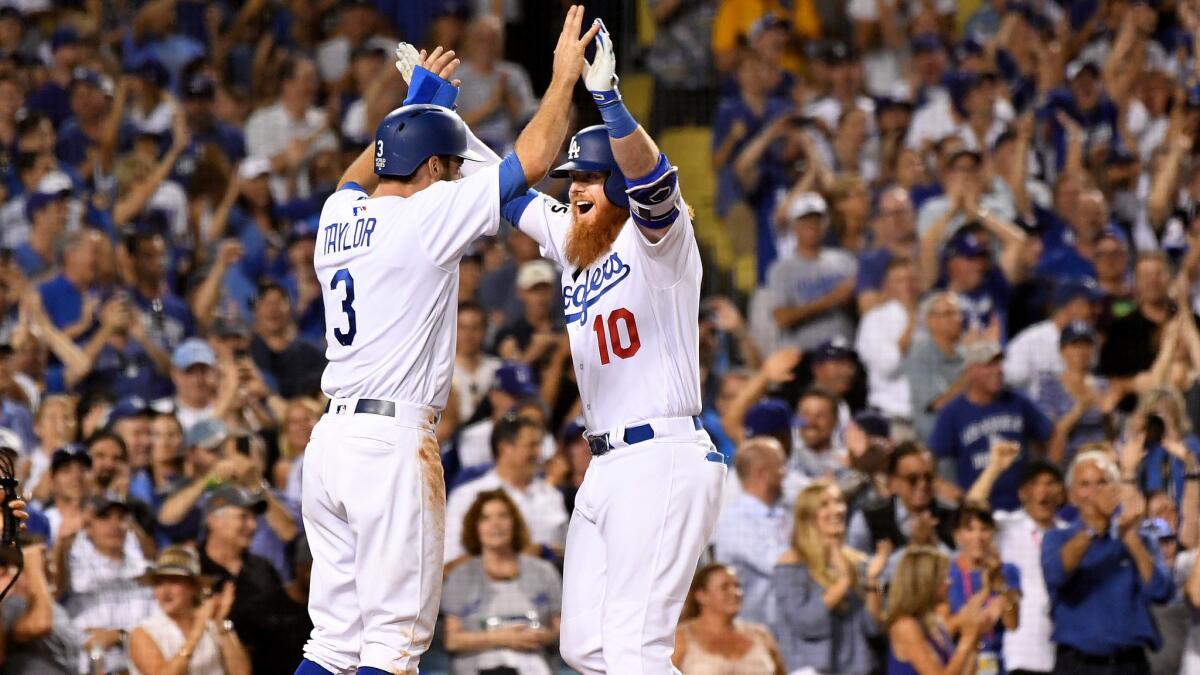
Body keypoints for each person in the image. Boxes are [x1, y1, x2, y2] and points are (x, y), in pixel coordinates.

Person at [296, 14, 599, 674]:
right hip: (389, 448)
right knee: (393, 646)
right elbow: (534, 159)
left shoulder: (338, 216)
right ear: (432, 165)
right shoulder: (426, 214)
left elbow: (359, 174)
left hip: (331, 445)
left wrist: (412, 108)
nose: (455, 176)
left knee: (330, 643)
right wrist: (562, 79)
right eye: (450, 167)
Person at [496, 19, 726, 673]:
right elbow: (504, 187)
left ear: (618, 187)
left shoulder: (661, 239)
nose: (574, 188)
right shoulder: (574, 240)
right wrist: (436, 114)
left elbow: (653, 182)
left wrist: (611, 101)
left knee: (633, 649)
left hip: (663, 455)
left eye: (589, 179)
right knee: (586, 645)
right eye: (572, 179)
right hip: (605, 466)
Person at [1041, 450, 1174, 674]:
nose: (1094, 492)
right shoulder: (1057, 538)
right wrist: (1095, 526)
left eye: (1102, 483)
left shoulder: (1140, 537)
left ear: (1116, 491)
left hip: (1129, 664)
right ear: (1071, 495)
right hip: (1077, 665)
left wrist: (1131, 540)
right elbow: (1055, 574)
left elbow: (1161, 593)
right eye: (1085, 484)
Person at [441, 490, 562, 675]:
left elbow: (560, 632)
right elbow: (452, 640)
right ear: (475, 527)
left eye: (503, 516)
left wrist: (541, 637)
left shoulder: (544, 572)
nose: (495, 524)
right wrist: (503, 638)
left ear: (514, 523)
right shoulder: (461, 576)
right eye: (485, 518)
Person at [773, 481, 886, 674]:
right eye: (825, 504)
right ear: (808, 516)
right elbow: (805, 622)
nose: (837, 510)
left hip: (861, 668)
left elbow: (873, 627)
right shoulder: (791, 565)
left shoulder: (857, 560)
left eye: (839, 502)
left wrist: (872, 581)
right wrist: (844, 582)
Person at [967, 456, 1067, 675]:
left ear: (1061, 492)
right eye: (1035, 484)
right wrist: (994, 467)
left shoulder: (1070, 534)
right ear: (1022, 493)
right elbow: (971, 511)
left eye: (1050, 483)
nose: (1043, 491)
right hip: (1022, 651)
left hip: (1066, 651)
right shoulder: (1007, 526)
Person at [928, 341, 1054, 510]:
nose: (998, 370)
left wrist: (1047, 478)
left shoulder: (1018, 402)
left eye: (999, 364)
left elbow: (1049, 435)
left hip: (1022, 508)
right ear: (971, 371)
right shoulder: (952, 413)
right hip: (979, 510)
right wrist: (941, 485)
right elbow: (930, 457)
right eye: (990, 365)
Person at [200, 485, 311, 675]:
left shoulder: (263, 568)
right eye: (243, 517)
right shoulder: (194, 570)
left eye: (253, 518)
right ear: (214, 521)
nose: (253, 525)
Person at [444, 415, 568, 563]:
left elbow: (567, 553)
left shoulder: (553, 496)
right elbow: (450, 561)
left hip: (547, 583)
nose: (538, 454)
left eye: (539, 445)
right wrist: (522, 556)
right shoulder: (467, 496)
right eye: (532, 445)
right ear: (505, 448)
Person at [128, 545, 251, 675]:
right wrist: (197, 631)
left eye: (174, 581)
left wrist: (221, 623)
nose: (165, 591)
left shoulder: (213, 625)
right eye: (159, 583)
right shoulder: (143, 632)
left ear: (193, 588)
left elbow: (242, 672)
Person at [711, 437, 791, 626]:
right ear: (762, 474)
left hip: (786, 631)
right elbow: (781, 565)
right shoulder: (735, 521)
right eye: (780, 466)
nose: (785, 474)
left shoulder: (782, 513)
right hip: (752, 632)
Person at [885, 546, 989, 675]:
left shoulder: (933, 624)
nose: (949, 582)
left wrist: (974, 637)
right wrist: (967, 640)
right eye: (943, 577)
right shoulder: (905, 626)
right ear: (927, 582)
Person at [946, 502, 1021, 675]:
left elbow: (1013, 623)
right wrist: (968, 620)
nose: (978, 537)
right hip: (957, 666)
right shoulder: (945, 574)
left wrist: (1000, 585)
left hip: (996, 666)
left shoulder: (1008, 571)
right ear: (957, 535)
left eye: (984, 529)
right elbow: (942, 632)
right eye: (970, 529)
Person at [672, 563, 786, 675]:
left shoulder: (761, 635)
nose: (735, 593)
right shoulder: (681, 638)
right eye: (724, 587)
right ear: (701, 595)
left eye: (737, 586)